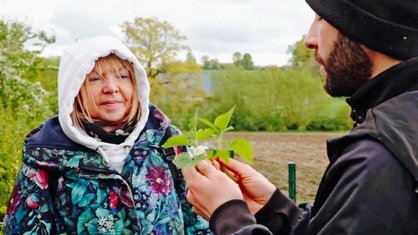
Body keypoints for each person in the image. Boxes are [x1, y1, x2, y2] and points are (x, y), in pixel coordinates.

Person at [182, 0, 418, 234]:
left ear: (366, 25)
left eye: (322, 18)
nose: (309, 40)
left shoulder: (378, 160)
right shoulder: (404, 127)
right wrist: (276, 212)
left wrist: (228, 216)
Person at [4, 36, 212, 234]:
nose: (112, 88)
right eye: (95, 79)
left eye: (122, 76)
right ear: (73, 89)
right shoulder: (45, 154)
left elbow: (197, 217)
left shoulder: (165, 138)